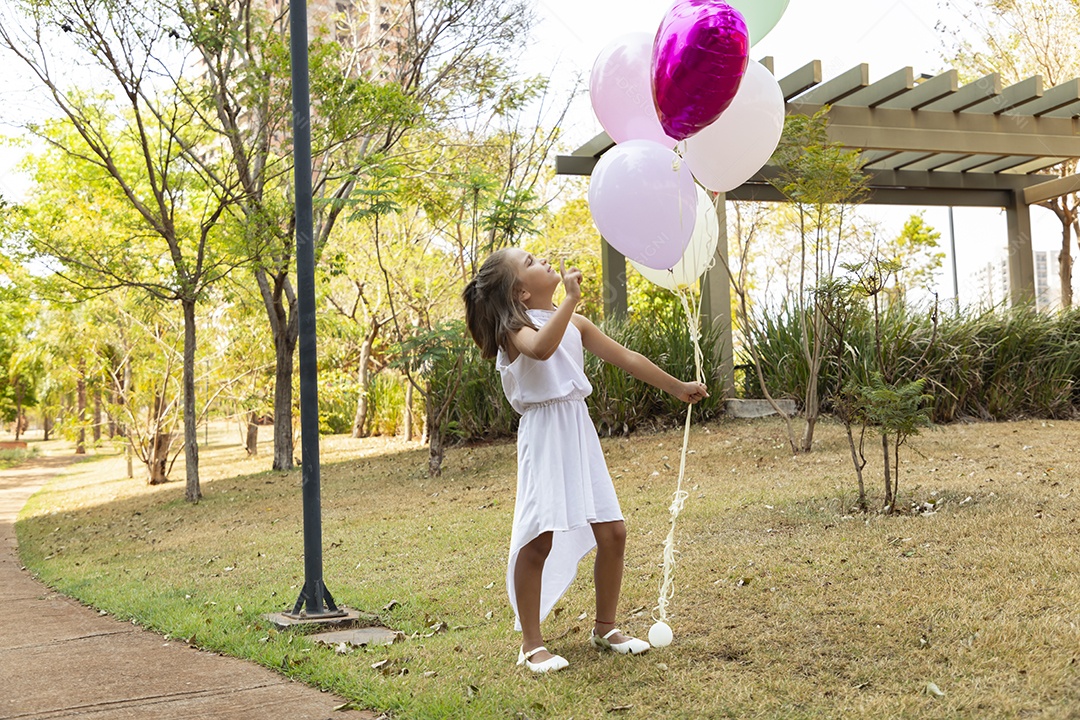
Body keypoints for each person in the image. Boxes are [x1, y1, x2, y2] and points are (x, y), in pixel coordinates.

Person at [462, 248, 708, 673]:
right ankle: (531, 644)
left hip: (578, 430)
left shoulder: (575, 323)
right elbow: (540, 349)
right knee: (538, 538)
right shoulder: (515, 330)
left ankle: (606, 627)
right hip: (543, 436)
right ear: (520, 292)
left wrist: (676, 387)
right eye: (532, 262)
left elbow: (627, 358)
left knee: (613, 532)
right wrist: (572, 300)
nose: (543, 261)